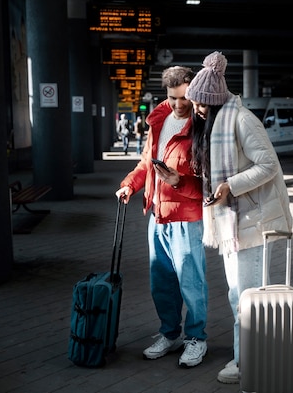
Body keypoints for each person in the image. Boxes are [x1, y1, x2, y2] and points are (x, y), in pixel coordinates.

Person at [185, 51, 293, 383]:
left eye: (203, 103)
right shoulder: (216, 124)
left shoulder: (243, 120)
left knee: (245, 295)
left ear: (216, 100)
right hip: (236, 223)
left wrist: (230, 186)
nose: (198, 109)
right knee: (240, 294)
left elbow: (268, 166)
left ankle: (248, 362)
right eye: (196, 103)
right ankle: (254, 356)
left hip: (255, 223)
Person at [115, 66, 209, 368]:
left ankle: (196, 339)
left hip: (187, 218)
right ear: (165, 95)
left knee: (191, 283)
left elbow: (209, 182)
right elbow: (146, 162)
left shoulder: (202, 126)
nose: (180, 105)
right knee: (161, 283)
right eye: (173, 98)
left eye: (185, 98)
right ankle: (170, 334)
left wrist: (178, 182)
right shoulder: (158, 119)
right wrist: (129, 185)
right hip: (157, 216)